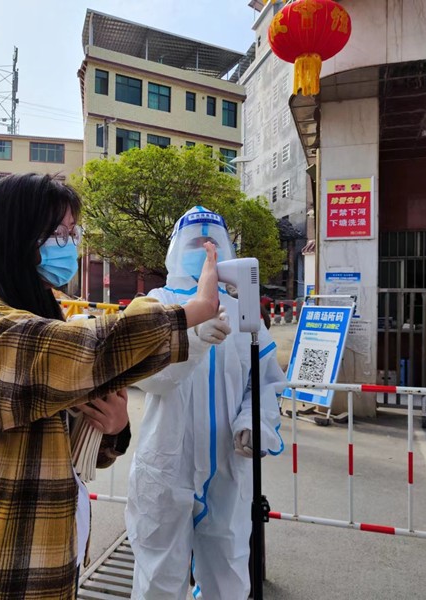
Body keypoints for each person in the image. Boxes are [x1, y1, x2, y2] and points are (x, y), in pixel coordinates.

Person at [0, 175, 221, 600]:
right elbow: (89, 349)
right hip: (7, 566)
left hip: (53, 554)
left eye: (73, 233)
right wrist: (190, 311)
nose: (69, 245)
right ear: (17, 235)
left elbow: (69, 443)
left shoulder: (39, 311)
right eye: (57, 233)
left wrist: (112, 429)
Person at [125, 206, 285, 600]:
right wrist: (192, 337)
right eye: (195, 242)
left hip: (229, 465)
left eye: (213, 242)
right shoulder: (155, 305)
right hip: (167, 463)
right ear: (176, 248)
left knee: (228, 572)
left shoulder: (243, 312)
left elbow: (263, 383)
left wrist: (253, 421)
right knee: (158, 576)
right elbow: (148, 378)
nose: (204, 250)